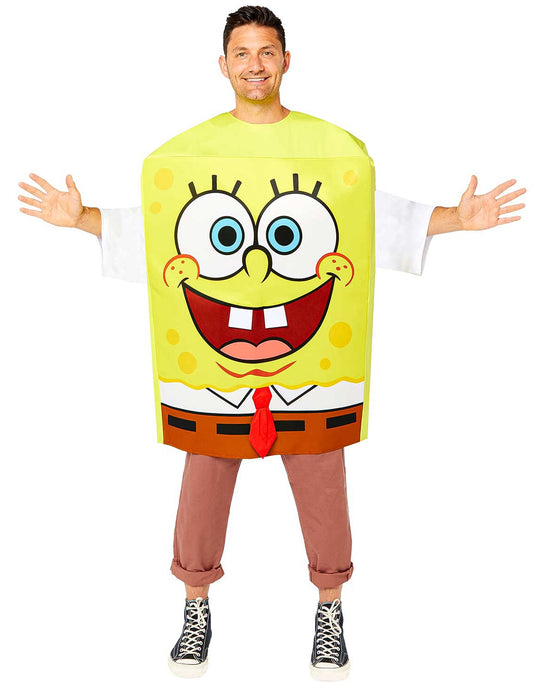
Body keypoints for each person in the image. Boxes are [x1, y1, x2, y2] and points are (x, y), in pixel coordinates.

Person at [18, 5, 526, 682]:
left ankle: (329, 610)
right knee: (202, 483)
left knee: (323, 486)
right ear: (222, 65)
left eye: (266, 52)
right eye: (242, 53)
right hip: (215, 375)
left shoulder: (330, 148)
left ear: (286, 61)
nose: (254, 64)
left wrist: (457, 220)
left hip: (312, 371)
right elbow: (161, 231)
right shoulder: (188, 154)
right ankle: (195, 606)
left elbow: (373, 219)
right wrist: (80, 218)